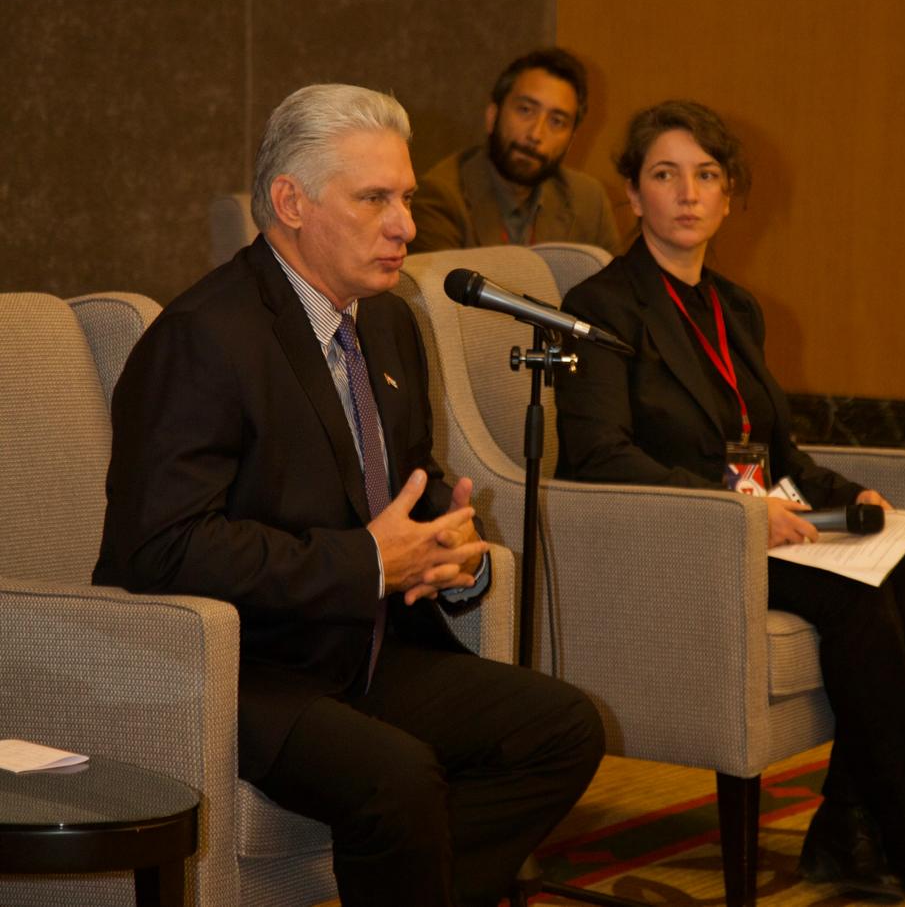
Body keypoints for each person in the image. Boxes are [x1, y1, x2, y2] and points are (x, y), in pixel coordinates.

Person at [94, 83, 604, 907]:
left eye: (404, 196)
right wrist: (367, 561)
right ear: (290, 203)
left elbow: (406, 480)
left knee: (561, 729)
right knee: (398, 779)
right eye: (375, 199)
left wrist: (451, 550)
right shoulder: (202, 338)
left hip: (358, 650)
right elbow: (162, 549)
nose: (405, 222)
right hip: (238, 667)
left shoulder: (389, 320)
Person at [554, 100, 905, 907]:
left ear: (729, 196)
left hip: (756, 519)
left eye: (707, 176)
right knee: (853, 595)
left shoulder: (737, 307)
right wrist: (739, 516)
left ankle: (843, 819)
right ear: (632, 195)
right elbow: (597, 457)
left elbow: (776, 452)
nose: (687, 193)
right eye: (665, 175)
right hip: (678, 536)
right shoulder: (601, 307)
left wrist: (845, 498)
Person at [410, 46, 621, 254]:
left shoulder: (589, 202)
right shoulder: (440, 197)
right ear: (493, 116)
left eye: (557, 122)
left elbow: (614, 288)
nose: (536, 135)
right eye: (525, 110)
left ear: (570, 141)